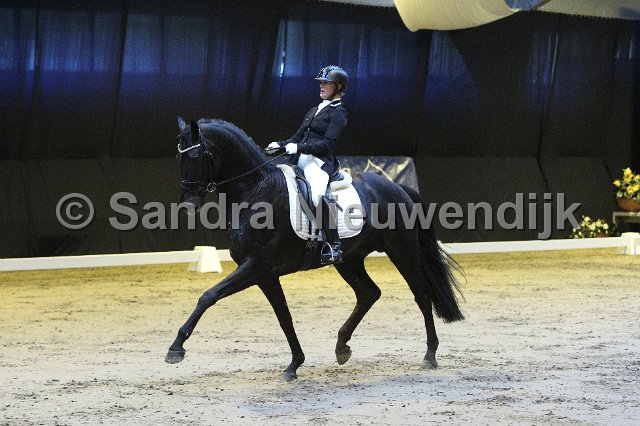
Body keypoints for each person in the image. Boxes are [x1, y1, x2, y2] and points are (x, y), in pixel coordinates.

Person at [268, 65, 348, 265]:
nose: (321, 86)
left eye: (326, 83)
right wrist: (281, 145)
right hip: (301, 160)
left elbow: (327, 144)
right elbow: (297, 137)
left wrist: (298, 148)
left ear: (338, 87)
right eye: (321, 82)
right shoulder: (315, 109)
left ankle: (334, 245)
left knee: (316, 196)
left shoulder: (339, 113)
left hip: (319, 163)